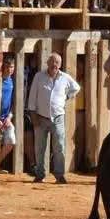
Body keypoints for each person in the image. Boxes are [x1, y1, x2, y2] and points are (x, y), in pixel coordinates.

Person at [26, 52, 79, 184]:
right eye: (52, 62)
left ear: (60, 65)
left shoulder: (65, 78)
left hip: (58, 117)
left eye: (57, 62)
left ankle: (59, 175)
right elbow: (32, 97)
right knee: (40, 147)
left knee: (59, 146)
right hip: (40, 117)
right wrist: (33, 115)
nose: (54, 65)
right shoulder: (39, 76)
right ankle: (40, 174)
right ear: (47, 63)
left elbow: (76, 88)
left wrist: (67, 97)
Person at [0, 57, 17, 168]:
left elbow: (14, 101)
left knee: (10, 141)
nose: (9, 70)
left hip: (6, 118)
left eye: (12, 67)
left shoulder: (13, 81)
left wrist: (9, 116)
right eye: (7, 67)